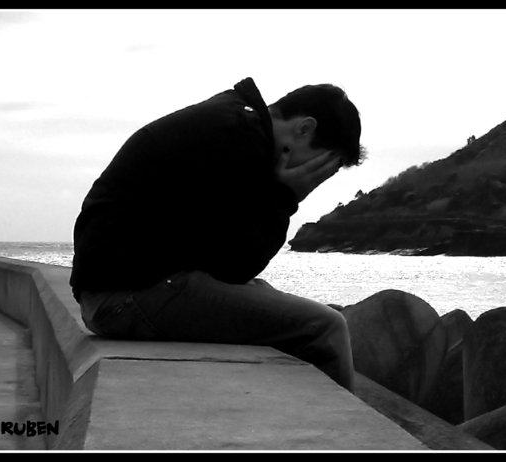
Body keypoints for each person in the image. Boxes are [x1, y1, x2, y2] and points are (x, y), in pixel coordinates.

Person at [69, 77, 365, 391]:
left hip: (119, 288)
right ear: (304, 129)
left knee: (278, 303)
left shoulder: (233, 120)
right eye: (322, 166)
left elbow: (221, 256)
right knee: (326, 327)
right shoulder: (240, 139)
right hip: (124, 297)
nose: (316, 178)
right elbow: (238, 265)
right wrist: (286, 196)